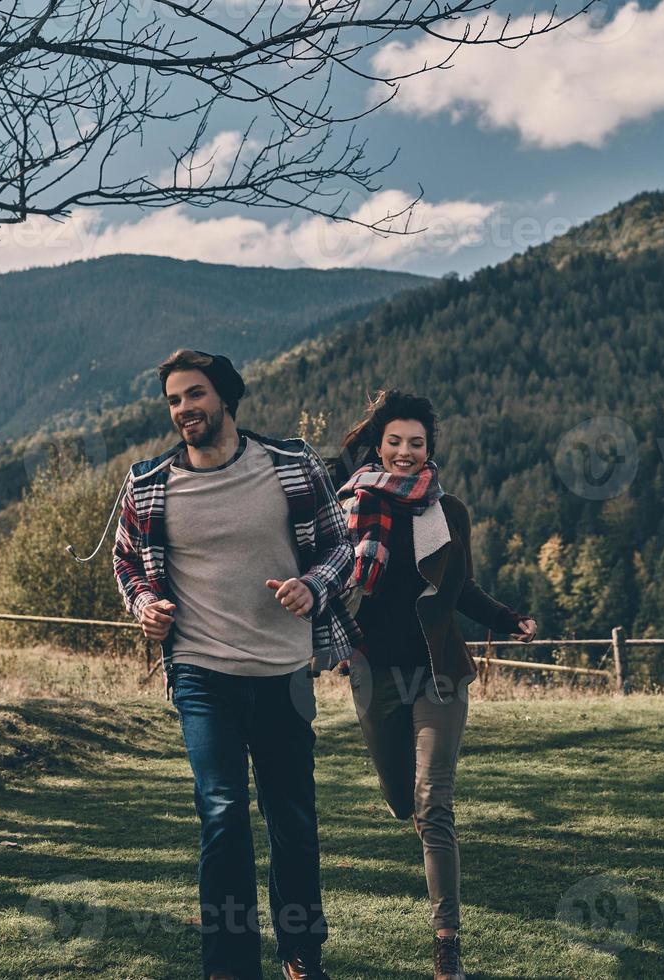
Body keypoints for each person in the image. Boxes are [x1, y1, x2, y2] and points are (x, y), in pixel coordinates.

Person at [112, 349, 358, 980]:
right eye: (172, 400)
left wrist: (314, 586)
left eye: (194, 394)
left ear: (224, 397)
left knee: (293, 821)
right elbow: (127, 564)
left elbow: (341, 548)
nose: (183, 409)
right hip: (200, 673)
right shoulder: (147, 483)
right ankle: (230, 967)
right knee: (222, 814)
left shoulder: (291, 465)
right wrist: (144, 604)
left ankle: (302, 956)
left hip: (282, 673)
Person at [333, 390, 537, 980]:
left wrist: (507, 618)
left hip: (440, 671)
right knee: (402, 801)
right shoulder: (352, 507)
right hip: (375, 674)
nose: (404, 452)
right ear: (380, 445)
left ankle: (446, 941)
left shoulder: (450, 514)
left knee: (432, 803)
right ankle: (414, 819)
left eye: (415, 443)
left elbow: (462, 590)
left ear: (429, 449)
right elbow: (329, 578)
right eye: (394, 441)